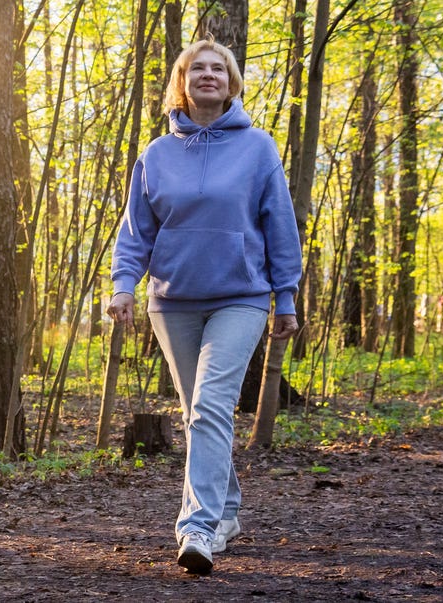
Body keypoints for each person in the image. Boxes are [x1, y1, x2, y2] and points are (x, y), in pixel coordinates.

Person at [106, 38, 302, 574]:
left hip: (241, 297)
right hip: (172, 303)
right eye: (198, 69)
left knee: (211, 407)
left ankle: (199, 527)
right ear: (183, 81)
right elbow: (136, 232)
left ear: (232, 82)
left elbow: (279, 226)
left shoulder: (258, 147)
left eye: (219, 68)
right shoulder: (156, 154)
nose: (208, 75)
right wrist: (124, 285)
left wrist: (284, 296)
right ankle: (229, 510)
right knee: (200, 414)